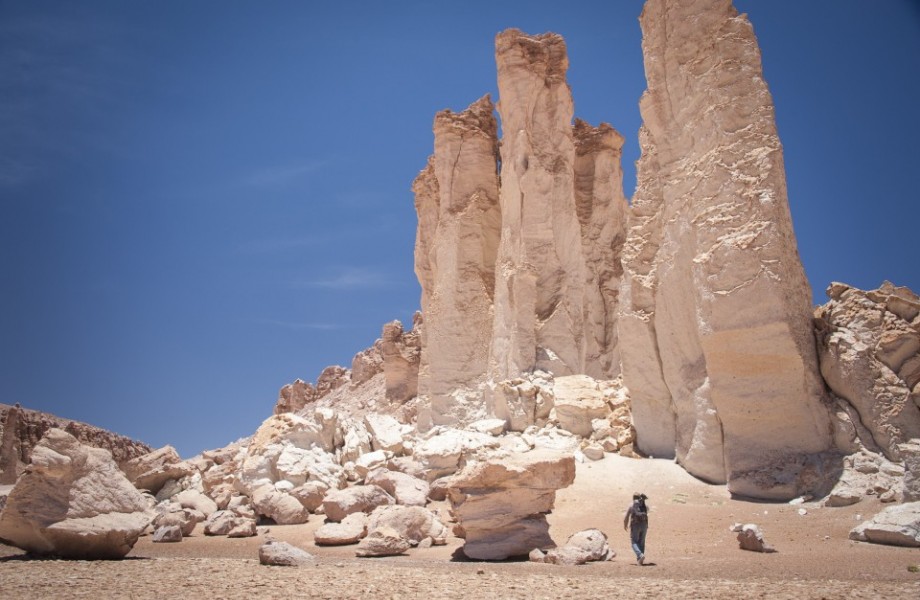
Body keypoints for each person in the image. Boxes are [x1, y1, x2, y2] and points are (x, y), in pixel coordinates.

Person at [623, 492, 649, 565]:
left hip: (635, 525)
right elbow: (647, 512)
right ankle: (640, 560)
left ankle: (640, 555)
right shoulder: (644, 505)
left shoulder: (631, 505)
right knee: (642, 542)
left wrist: (625, 525)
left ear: (633, 498)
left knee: (634, 541)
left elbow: (626, 517)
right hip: (644, 525)